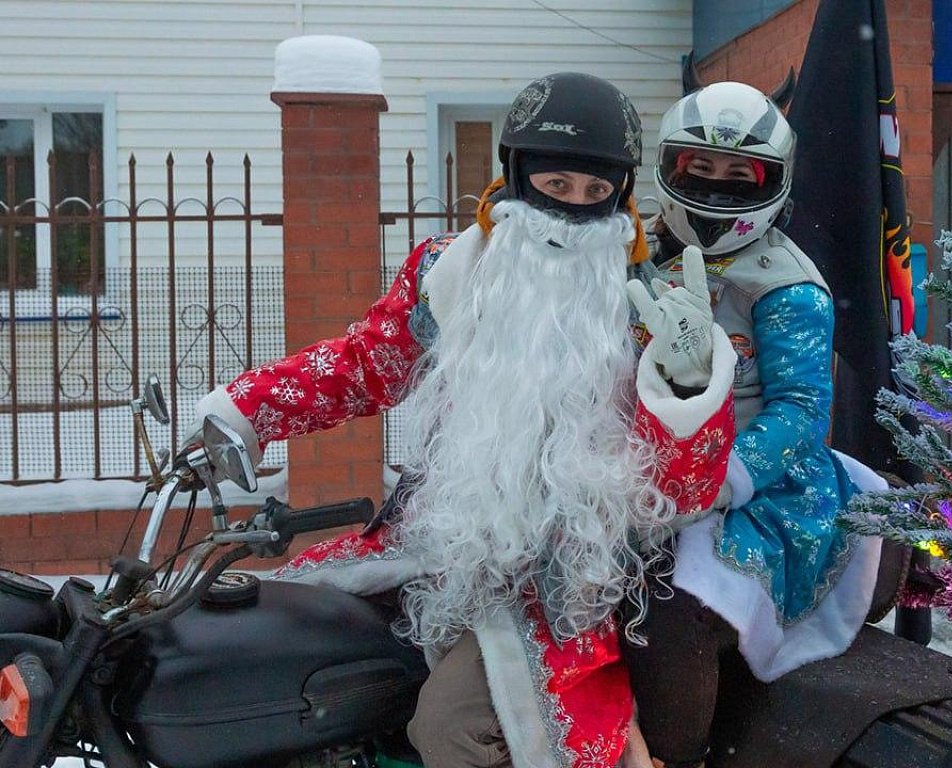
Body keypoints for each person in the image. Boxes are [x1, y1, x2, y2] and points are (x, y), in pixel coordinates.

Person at [193, 71, 740, 768]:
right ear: (516, 175)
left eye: (594, 191)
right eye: (555, 184)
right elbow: (364, 365)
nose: (571, 211)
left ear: (620, 195)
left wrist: (688, 387)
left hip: (561, 592)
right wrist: (246, 410)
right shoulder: (449, 275)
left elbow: (681, 492)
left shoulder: (645, 310)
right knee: (266, 647)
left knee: (453, 729)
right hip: (437, 549)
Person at [621, 79, 887, 768]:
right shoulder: (637, 253)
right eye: (699, 168)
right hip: (641, 466)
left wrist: (721, 479)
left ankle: (677, 755)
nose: (715, 185)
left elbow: (801, 410)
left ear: (773, 181)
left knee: (672, 604)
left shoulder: (785, 284)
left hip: (757, 488)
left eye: (740, 176)